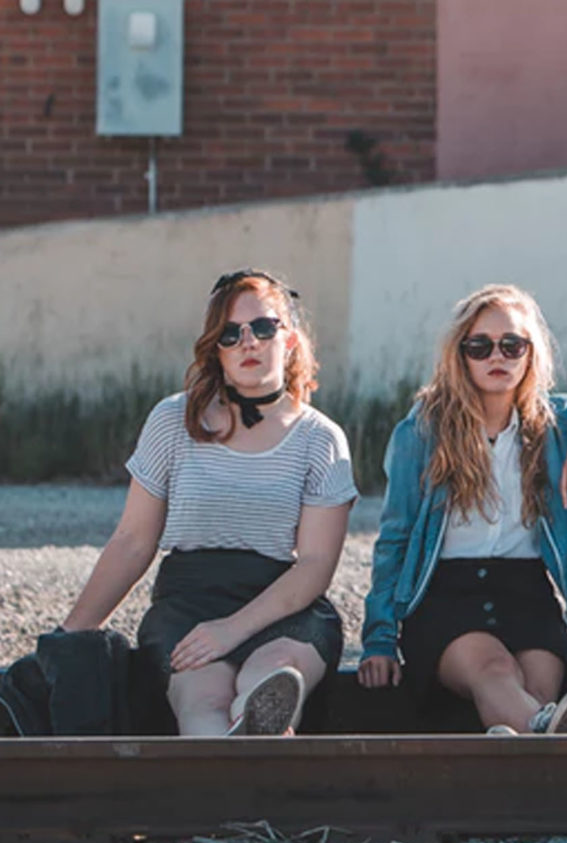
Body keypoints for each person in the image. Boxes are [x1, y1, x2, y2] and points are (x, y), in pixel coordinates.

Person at [62, 269, 356, 736]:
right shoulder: (173, 420)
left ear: (290, 340)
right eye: (230, 333)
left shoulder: (320, 439)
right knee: (203, 698)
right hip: (189, 602)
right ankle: (226, 759)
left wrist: (233, 628)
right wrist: (71, 634)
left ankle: (257, 726)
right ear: (215, 348)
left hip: (283, 603)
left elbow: (316, 564)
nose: (248, 342)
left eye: (263, 327)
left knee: (275, 674)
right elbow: (133, 542)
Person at [357, 284, 567, 734]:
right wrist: (379, 637)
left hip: (527, 591)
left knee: (539, 688)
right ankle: (547, 743)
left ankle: (521, 743)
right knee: (495, 671)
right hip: (446, 593)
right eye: (480, 346)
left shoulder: (555, 423)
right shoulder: (421, 432)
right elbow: (394, 537)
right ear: (460, 354)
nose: (497, 356)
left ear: (530, 353)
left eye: (512, 345)